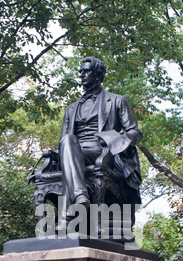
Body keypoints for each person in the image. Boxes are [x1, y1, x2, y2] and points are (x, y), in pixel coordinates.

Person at [53, 57, 142, 227]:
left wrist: (117, 142)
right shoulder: (71, 109)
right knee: (68, 142)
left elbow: (135, 132)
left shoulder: (116, 100)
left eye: (86, 71)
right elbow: (61, 142)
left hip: (100, 151)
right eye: (81, 72)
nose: (82, 75)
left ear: (98, 74)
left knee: (68, 155)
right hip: (73, 149)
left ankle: (67, 218)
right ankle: (80, 196)